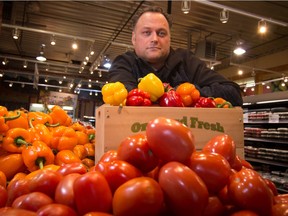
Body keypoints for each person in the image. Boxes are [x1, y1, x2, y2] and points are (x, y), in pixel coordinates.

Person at [108, 6, 243, 106]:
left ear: (169, 38)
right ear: (134, 39)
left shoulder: (187, 61)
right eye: (146, 32)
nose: (154, 39)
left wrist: (187, 94)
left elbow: (233, 93)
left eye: (161, 33)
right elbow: (124, 98)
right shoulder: (123, 63)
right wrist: (182, 98)